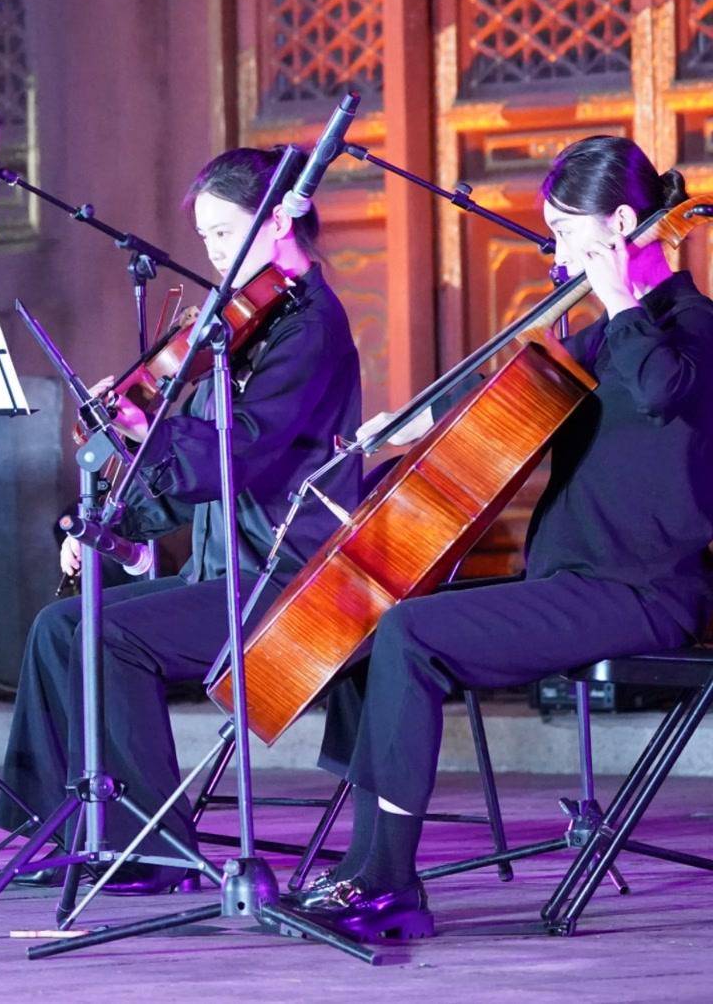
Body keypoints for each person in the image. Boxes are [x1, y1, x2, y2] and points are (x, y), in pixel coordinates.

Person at [290, 136, 713, 942]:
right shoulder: (604, 341)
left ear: (622, 223)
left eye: (563, 231)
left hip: (646, 594)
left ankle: (390, 885)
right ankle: (362, 871)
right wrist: (417, 429)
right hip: (574, 583)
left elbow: (659, 390)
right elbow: (512, 410)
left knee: (412, 633)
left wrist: (621, 298)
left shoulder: (693, 331)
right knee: (387, 625)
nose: (553, 251)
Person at [0, 147, 363, 892]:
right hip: (222, 573)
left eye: (226, 233)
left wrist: (143, 427)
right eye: (208, 240)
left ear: (283, 220)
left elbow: (239, 457)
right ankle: (64, 824)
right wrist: (115, 525)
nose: (215, 256)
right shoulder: (237, 332)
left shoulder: (310, 328)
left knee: (109, 632)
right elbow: (184, 470)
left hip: (287, 583)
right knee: (60, 624)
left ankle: (151, 847)